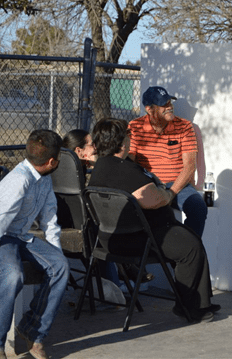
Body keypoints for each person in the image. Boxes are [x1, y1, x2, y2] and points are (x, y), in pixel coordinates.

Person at [89, 118, 219, 323]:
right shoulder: (126, 170)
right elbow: (155, 200)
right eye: (128, 136)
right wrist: (166, 194)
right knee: (191, 246)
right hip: (139, 240)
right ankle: (191, 307)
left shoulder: (100, 167)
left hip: (109, 239)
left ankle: (199, 302)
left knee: (187, 239)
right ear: (123, 143)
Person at [0, 130, 70, 359]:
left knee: (60, 266)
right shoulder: (20, 180)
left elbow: (49, 220)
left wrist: (55, 253)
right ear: (52, 161)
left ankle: (32, 331)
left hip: (18, 235)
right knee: (13, 274)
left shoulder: (44, 179)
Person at [62, 129, 154, 284]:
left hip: (69, 224)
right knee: (110, 224)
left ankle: (124, 274)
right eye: (92, 144)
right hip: (83, 230)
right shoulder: (73, 173)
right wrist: (97, 163)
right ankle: (117, 283)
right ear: (79, 151)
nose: (96, 147)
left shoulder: (65, 166)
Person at [128, 86, 207, 238]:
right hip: (148, 183)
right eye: (164, 105)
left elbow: (190, 166)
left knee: (198, 207)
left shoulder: (184, 126)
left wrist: (171, 193)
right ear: (150, 109)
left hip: (177, 185)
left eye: (170, 103)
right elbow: (130, 163)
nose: (170, 107)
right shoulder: (135, 127)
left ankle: (190, 252)